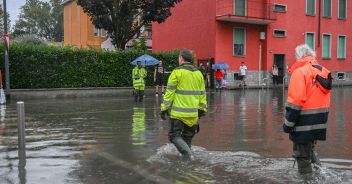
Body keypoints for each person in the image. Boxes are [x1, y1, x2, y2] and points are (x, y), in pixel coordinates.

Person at [283, 44, 332, 175]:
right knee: (310, 151)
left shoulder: (299, 72)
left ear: (299, 56)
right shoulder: (324, 71)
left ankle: (307, 180)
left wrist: (287, 125)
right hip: (320, 122)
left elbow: (296, 102)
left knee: (302, 157)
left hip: (303, 123)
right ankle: (321, 176)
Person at [160, 49, 207, 160]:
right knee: (187, 137)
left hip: (178, 113)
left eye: (178, 57)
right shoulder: (198, 73)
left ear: (181, 58)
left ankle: (188, 155)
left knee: (174, 136)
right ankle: (187, 162)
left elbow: (169, 92)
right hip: (193, 114)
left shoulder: (177, 72)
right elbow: (202, 93)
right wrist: (202, 109)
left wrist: (164, 108)